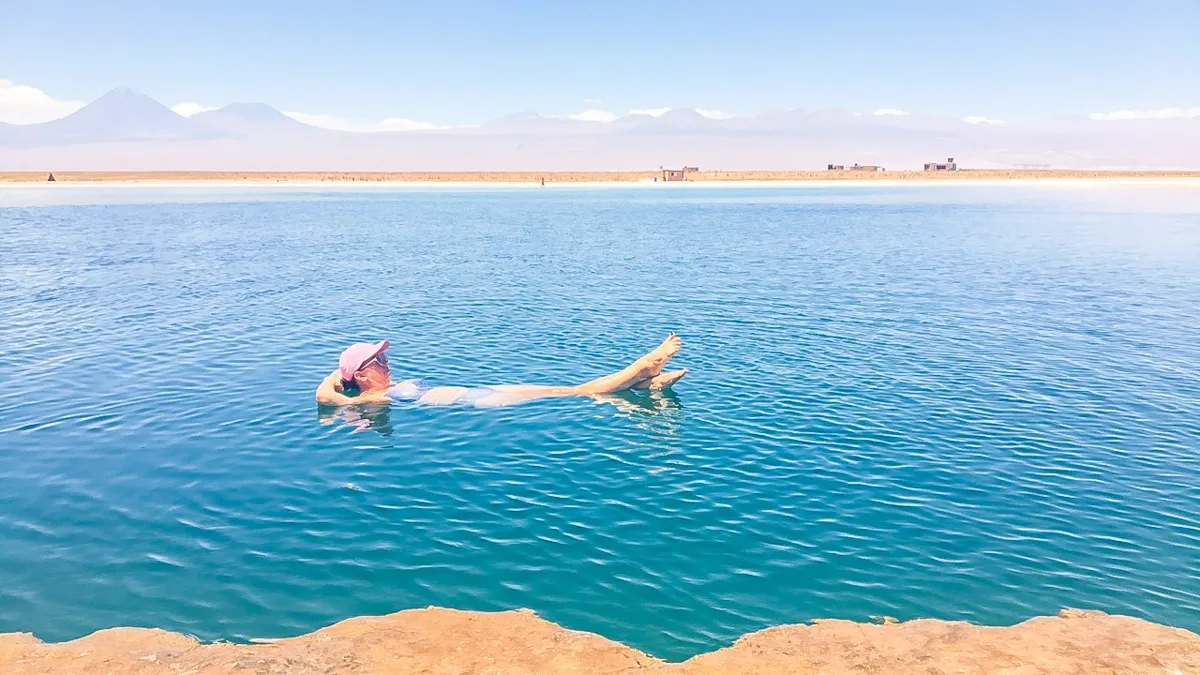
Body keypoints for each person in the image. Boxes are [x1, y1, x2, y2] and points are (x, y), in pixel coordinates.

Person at [316, 334, 686, 408]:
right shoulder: (372, 400)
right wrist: (341, 377)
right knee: (574, 392)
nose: (387, 362)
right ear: (362, 375)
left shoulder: (387, 386)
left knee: (568, 387)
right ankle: (640, 367)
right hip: (478, 402)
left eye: (383, 357)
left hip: (484, 388)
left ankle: (645, 385)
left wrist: (346, 374)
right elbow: (324, 394)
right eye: (378, 361)